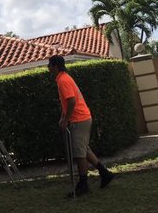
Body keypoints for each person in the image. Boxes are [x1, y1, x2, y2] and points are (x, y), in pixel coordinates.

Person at [47, 54, 115, 197]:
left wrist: (66, 120)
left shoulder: (62, 80)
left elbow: (71, 101)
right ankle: (105, 174)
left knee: (79, 154)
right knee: (85, 150)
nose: (48, 67)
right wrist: (62, 117)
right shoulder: (64, 77)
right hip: (82, 117)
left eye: (49, 65)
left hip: (79, 119)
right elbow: (66, 103)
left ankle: (83, 185)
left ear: (55, 66)